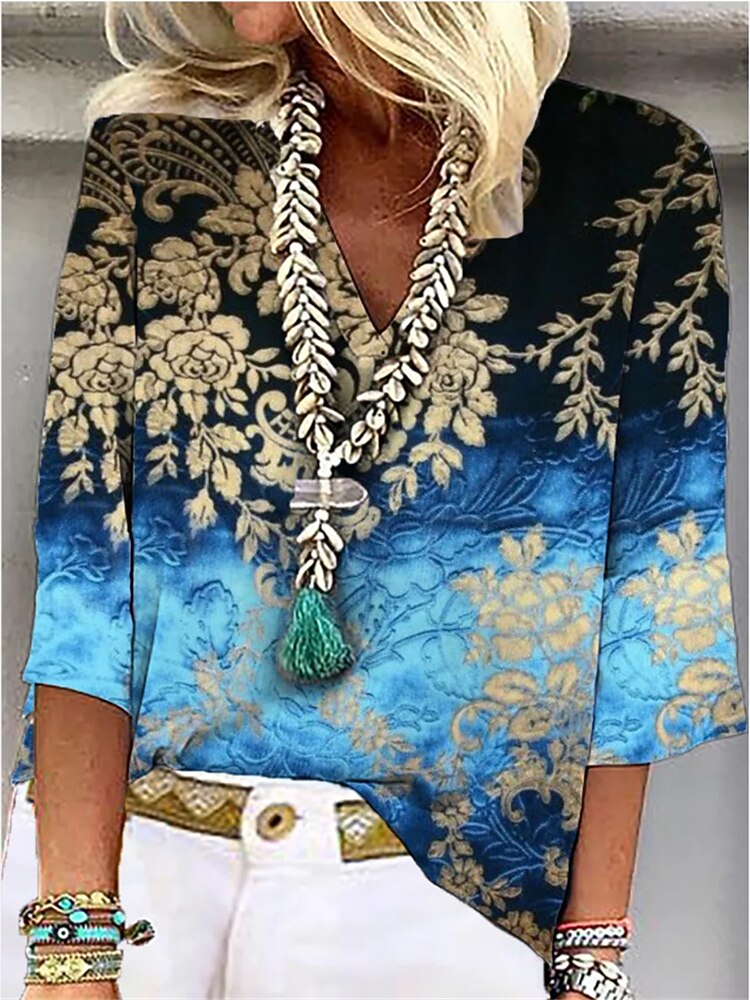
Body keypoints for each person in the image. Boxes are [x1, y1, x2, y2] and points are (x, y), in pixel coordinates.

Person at [1, 2, 746, 998]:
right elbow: (89, 576)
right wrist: (70, 949)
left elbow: (647, 603)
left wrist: (590, 959)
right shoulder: (157, 159)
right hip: (134, 879)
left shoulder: (636, 179)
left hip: (444, 906)